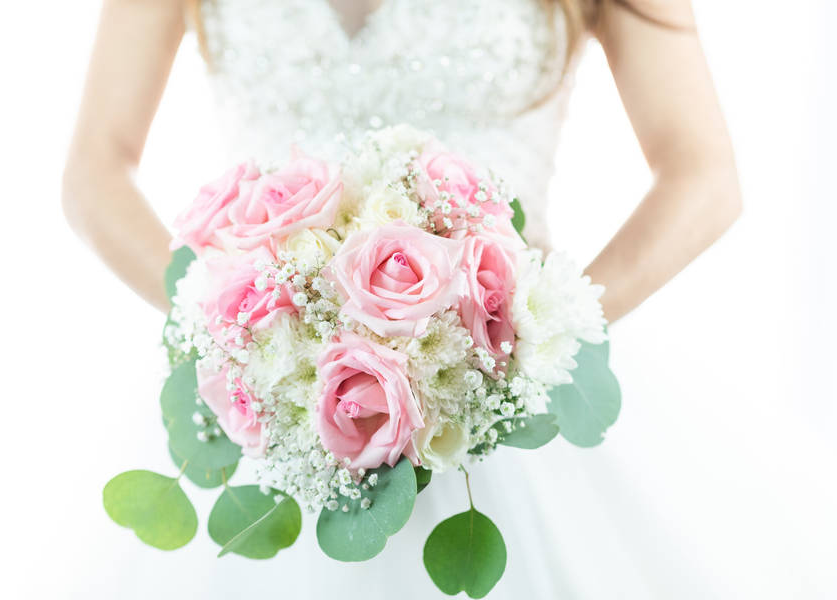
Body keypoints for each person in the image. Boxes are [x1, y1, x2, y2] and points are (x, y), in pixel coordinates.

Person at [62, 1, 741, 597]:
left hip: (518, 406)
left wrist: (529, 339)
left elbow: (702, 174)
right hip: (273, 399)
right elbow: (95, 168)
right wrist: (234, 332)